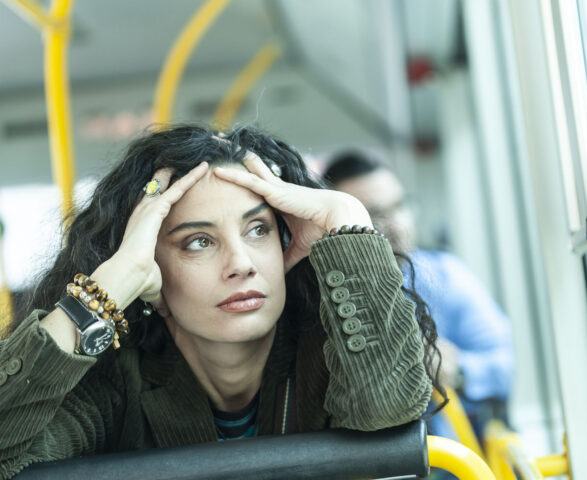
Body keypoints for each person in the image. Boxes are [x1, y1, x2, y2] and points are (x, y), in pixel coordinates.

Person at [0, 125, 441, 479]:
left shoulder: (327, 353)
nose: (241, 264)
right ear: (149, 266)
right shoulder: (117, 385)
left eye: (257, 230)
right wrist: (103, 294)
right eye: (198, 242)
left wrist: (347, 219)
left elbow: (390, 406)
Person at [324, 151, 515, 439]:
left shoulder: (446, 276)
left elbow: (503, 365)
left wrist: (458, 370)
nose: (397, 225)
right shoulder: (324, 299)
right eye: (374, 214)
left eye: (399, 206)